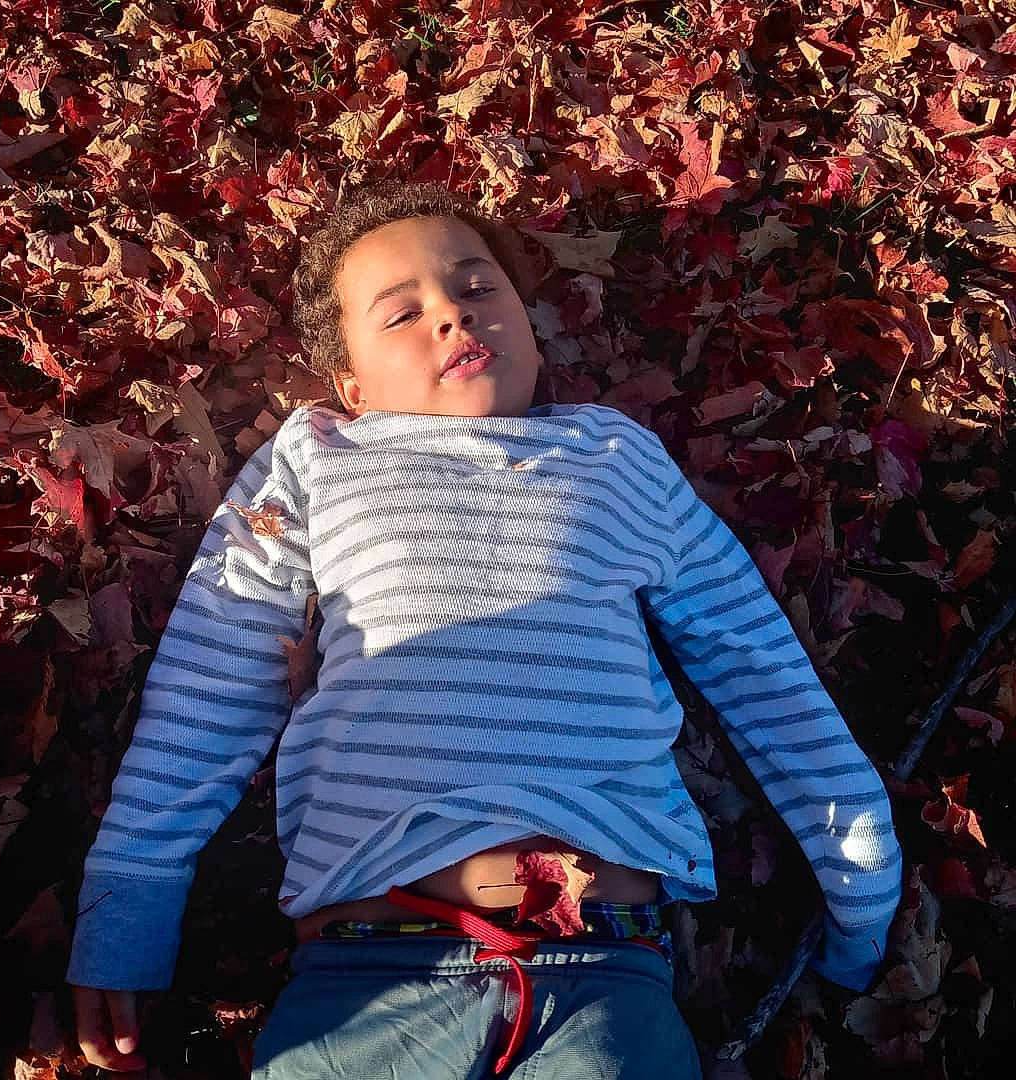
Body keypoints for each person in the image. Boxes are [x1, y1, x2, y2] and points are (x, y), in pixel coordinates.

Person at [68, 179, 903, 1078]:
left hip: (606, 976)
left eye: (477, 290)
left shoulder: (616, 457)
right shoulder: (320, 457)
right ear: (351, 384)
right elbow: (214, 674)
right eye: (402, 314)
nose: (451, 318)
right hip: (364, 975)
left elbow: (758, 665)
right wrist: (130, 905)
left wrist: (862, 877)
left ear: (531, 329)